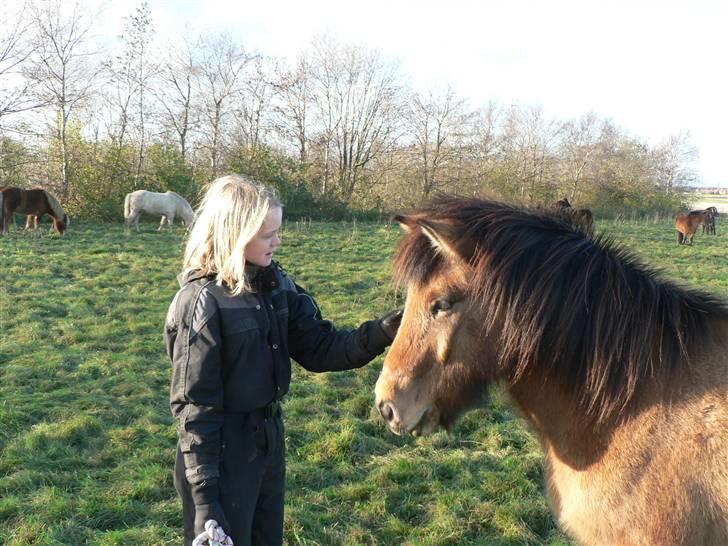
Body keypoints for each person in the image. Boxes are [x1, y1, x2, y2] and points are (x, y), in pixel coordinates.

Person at [164, 174, 402, 546]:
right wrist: (205, 498)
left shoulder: (276, 285)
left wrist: (383, 331)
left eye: (278, 230)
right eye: (267, 234)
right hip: (221, 453)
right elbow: (195, 406)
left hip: (267, 442)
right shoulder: (202, 303)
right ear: (235, 234)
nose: (278, 240)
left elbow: (322, 348)